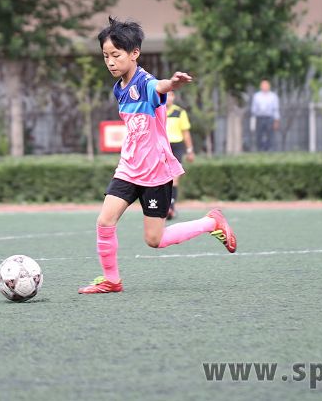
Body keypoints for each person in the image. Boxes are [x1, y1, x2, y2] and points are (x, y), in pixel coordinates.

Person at [78, 17, 236, 295]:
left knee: (155, 240)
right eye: (105, 56)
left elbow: (158, 86)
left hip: (155, 172)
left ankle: (211, 222)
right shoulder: (119, 88)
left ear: (134, 53)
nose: (110, 62)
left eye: (116, 55)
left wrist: (171, 84)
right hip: (128, 168)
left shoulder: (146, 83)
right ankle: (111, 280)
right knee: (104, 221)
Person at [164, 91, 195, 220]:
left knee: (174, 177)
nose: (168, 97)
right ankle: (163, 206)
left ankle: (171, 207)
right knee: (162, 177)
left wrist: (190, 150)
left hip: (176, 146)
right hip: (161, 146)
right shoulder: (156, 110)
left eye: (170, 95)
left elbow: (186, 133)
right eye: (166, 94)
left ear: (174, 97)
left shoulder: (180, 112)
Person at [251, 79, 280, 152]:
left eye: (266, 85)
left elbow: (276, 109)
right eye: (263, 85)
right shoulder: (257, 96)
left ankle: (269, 150)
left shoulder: (273, 96)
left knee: (270, 135)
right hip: (259, 117)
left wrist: (276, 120)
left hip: (269, 118)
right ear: (261, 86)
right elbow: (253, 108)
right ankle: (260, 150)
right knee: (259, 135)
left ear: (269, 86)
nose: (265, 87)